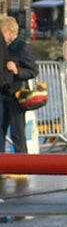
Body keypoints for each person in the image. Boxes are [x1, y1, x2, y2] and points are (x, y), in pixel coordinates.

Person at [0, 16, 36, 153]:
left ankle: (21, 166)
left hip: (17, 95)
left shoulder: (21, 47)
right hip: (3, 93)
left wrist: (17, 70)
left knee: (17, 132)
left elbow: (33, 70)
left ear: (10, 32)